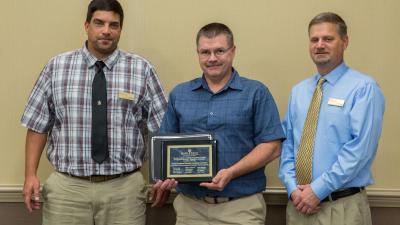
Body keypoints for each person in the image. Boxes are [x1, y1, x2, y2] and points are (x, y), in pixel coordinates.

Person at [20, 0, 167, 224]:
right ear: (87, 25)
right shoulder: (56, 67)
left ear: (120, 29)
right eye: (99, 23)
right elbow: (37, 125)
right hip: (67, 189)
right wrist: (30, 174)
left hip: (124, 189)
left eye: (113, 25)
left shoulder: (142, 70)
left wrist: (161, 177)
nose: (106, 31)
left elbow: (161, 129)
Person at [151, 22, 285, 225]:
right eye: (205, 52)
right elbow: (165, 147)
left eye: (219, 51)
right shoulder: (180, 94)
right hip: (190, 208)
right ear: (197, 53)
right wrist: (165, 176)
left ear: (233, 51)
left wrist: (231, 172)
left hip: (241, 207)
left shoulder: (256, 93)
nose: (212, 58)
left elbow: (272, 147)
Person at [279, 12, 385, 225]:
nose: (320, 45)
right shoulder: (299, 91)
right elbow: (288, 144)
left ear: (344, 42)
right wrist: (292, 189)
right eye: (314, 39)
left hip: (342, 208)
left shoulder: (363, 88)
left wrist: (317, 190)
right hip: (298, 207)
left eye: (328, 39)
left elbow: (359, 151)